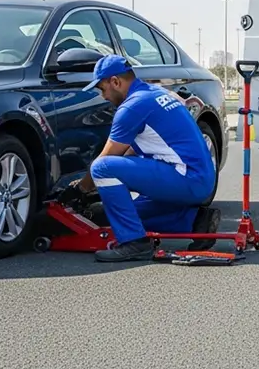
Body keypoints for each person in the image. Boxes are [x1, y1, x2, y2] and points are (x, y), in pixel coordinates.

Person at [59, 54, 221, 262]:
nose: (103, 96)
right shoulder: (154, 93)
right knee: (125, 214)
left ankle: (134, 244)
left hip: (187, 178)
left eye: (102, 88)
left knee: (101, 167)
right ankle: (198, 222)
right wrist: (102, 189)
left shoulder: (132, 107)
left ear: (115, 82)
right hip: (198, 178)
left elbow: (109, 157)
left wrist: (81, 188)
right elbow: (132, 151)